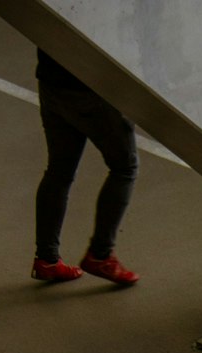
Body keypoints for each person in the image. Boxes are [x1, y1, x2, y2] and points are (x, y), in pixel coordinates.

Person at [32, 51, 139, 286]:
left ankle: (47, 260)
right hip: (91, 88)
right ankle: (101, 255)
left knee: (59, 171)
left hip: (52, 83)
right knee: (124, 167)